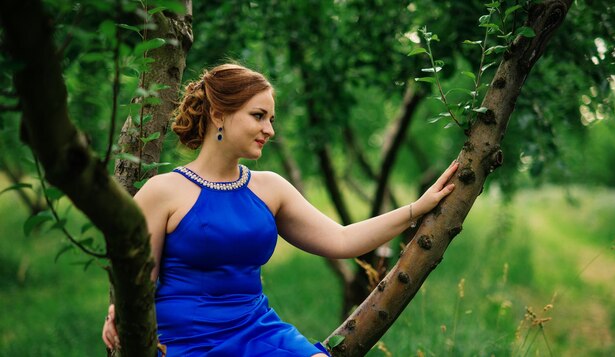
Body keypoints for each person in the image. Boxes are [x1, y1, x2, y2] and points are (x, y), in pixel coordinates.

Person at [102, 63, 458, 356]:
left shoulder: (270, 187)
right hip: (184, 340)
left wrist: (416, 208)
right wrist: (119, 313)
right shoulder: (162, 192)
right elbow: (138, 283)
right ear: (217, 114)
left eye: (271, 119)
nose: (269, 129)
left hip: (257, 332)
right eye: (258, 116)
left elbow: (343, 240)